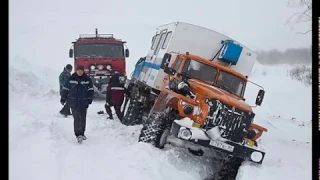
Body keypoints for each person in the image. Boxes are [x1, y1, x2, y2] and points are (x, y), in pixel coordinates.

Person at [60, 65, 94, 143]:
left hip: (83, 102)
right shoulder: (71, 79)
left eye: (81, 70)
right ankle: (78, 135)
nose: (80, 72)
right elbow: (65, 89)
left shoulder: (87, 79)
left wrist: (89, 99)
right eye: (78, 70)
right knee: (77, 119)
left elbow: (91, 90)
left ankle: (82, 133)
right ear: (76, 71)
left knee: (83, 119)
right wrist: (63, 98)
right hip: (73, 102)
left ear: (83, 71)